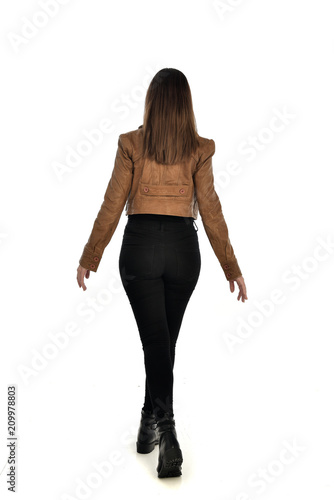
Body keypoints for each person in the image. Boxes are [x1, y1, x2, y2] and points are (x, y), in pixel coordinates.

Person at [76, 68, 248, 478]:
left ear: (151, 103)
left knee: (157, 342)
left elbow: (111, 203)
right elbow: (212, 211)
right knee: (163, 343)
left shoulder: (130, 143)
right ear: (186, 105)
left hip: (139, 251)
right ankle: (148, 423)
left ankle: (162, 430)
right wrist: (231, 266)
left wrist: (90, 254)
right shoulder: (199, 149)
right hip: (183, 254)